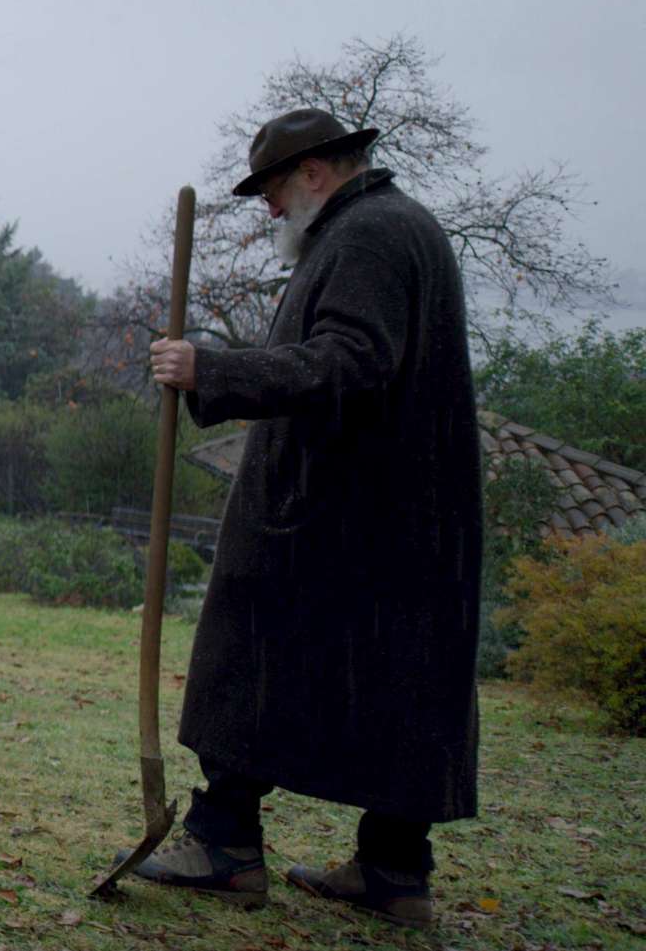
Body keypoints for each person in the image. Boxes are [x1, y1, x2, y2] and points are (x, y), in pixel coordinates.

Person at [140, 108, 482, 929]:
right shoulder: (399, 229)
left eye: (273, 188)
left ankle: (224, 842)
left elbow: (352, 360)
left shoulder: (368, 237)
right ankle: (395, 870)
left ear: (318, 173)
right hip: (395, 518)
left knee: (243, 650)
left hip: (339, 516)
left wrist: (209, 369)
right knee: (401, 682)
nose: (268, 208)